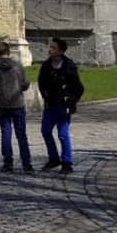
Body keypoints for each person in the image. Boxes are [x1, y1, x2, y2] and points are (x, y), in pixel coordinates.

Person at [38, 37, 85, 173]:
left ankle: (66, 162)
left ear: (61, 51)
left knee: (63, 134)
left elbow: (78, 87)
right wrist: (45, 95)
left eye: (53, 47)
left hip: (64, 105)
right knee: (46, 131)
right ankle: (53, 158)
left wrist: (71, 100)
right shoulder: (46, 66)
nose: (50, 50)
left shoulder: (69, 65)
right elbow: (41, 82)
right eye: (50, 47)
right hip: (50, 104)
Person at [0, 40, 33, 172]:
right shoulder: (17, 66)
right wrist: (18, 88)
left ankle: (8, 163)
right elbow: (26, 83)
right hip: (17, 102)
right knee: (21, 134)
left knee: (6, 133)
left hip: (2, 103)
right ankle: (27, 164)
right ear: (8, 51)